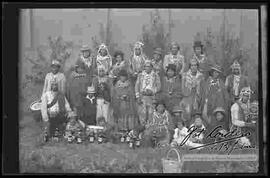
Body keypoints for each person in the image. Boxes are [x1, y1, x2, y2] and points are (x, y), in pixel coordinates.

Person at [135, 60, 161, 126]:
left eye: (149, 66)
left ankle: (150, 129)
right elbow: (137, 86)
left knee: (151, 113)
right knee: (142, 114)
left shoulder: (155, 75)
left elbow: (159, 86)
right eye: (146, 66)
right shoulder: (140, 75)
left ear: (152, 67)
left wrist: (152, 91)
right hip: (142, 97)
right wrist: (137, 97)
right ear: (144, 67)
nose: (147, 68)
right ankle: (142, 129)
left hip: (151, 97)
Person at [181, 58, 204, 124]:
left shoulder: (201, 76)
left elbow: (202, 89)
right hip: (187, 96)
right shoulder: (185, 75)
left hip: (197, 97)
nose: (193, 67)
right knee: (186, 112)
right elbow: (182, 88)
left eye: (195, 65)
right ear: (190, 66)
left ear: (197, 66)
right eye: (192, 65)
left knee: (197, 112)